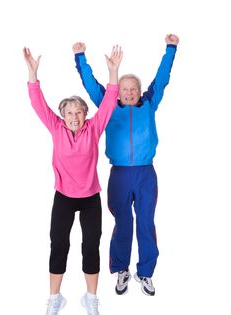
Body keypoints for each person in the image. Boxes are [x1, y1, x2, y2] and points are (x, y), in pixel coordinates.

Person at [72, 34, 179, 296]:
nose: (129, 92)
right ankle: (121, 269)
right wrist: (80, 58)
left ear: (140, 91)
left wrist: (171, 49)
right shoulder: (108, 106)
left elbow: (162, 79)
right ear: (117, 92)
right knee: (123, 223)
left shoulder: (149, 103)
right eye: (124, 89)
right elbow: (91, 85)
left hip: (145, 174)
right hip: (119, 175)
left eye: (133, 88)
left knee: (145, 222)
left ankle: (145, 272)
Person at [23, 45, 122, 315]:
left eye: (79, 112)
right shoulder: (56, 128)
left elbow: (110, 101)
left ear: (85, 114)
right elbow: (37, 102)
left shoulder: (94, 127)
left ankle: (91, 299)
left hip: (90, 197)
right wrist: (32, 73)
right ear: (63, 116)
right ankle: (55, 299)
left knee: (91, 246)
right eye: (69, 113)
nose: (75, 117)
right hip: (64, 197)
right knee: (59, 245)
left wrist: (113, 72)